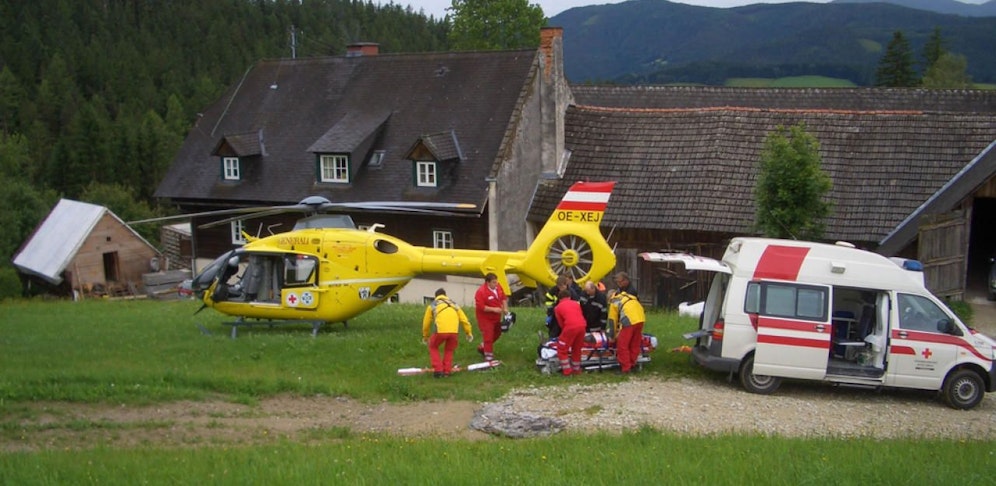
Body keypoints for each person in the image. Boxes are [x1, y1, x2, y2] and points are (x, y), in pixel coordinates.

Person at [422, 288, 474, 378]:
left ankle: (438, 370)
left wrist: (426, 336)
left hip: (440, 331)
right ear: (446, 295)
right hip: (454, 332)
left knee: (433, 346)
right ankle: (447, 371)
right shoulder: (454, 304)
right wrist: (468, 332)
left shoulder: (433, 305)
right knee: (449, 350)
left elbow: (426, 323)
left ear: (436, 296)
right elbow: (464, 319)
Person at [608, 289, 646, 374]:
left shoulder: (614, 302)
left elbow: (612, 321)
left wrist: (612, 337)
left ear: (610, 297)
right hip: (640, 318)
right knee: (634, 343)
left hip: (629, 320)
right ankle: (632, 364)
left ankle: (625, 368)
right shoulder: (628, 296)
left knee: (622, 345)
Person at [474, 272, 508, 361]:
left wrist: (505, 308)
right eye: (493, 282)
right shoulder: (481, 292)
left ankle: (483, 346)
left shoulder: (498, 287)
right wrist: (494, 309)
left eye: (496, 282)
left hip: (496, 317)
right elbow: (481, 307)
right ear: (487, 283)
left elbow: (503, 298)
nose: (496, 284)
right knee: (488, 336)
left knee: (498, 332)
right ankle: (488, 357)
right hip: (485, 318)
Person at [554, 288, 587, 376]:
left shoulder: (558, 308)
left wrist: (564, 334)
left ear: (559, 298)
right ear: (569, 296)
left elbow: (561, 323)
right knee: (577, 349)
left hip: (570, 327)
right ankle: (577, 370)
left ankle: (567, 371)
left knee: (561, 349)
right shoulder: (576, 304)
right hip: (582, 326)